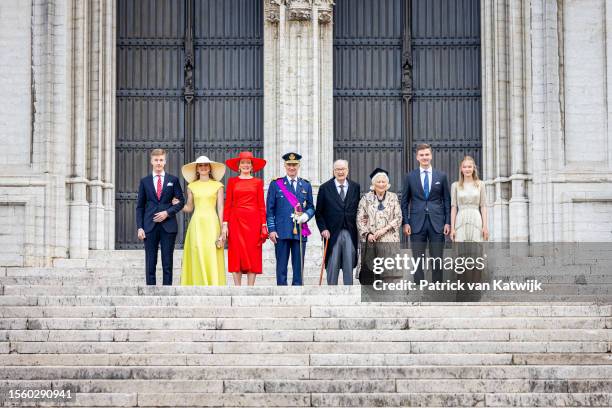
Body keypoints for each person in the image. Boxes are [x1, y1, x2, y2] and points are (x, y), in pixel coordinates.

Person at [401, 143, 451, 283]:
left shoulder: (441, 176)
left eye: (427, 154)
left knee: (437, 258)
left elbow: (447, 200)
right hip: (416, 223)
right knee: (417, 258)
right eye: (421, 155)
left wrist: (447, 222)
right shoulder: (410, 177)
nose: (425, 157)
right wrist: (406, 222)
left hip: (437, 223)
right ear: (417, 157)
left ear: (431, 156)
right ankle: (419, 287)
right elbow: (404, 202)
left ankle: (437, 288)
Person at [136, 148, 185, 285]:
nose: (159, 162)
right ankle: (150, 291)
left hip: (168, 226)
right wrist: (140, 227)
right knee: (150, 261)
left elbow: (181, 202)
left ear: (165, 161)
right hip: (149, 226)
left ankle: (167, 291)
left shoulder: (173, 180)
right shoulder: (144, 181)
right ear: (152, 161)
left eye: (161, 160)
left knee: (167, 261)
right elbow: (140, 206)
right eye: (156, 160)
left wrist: (167, 213)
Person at [176, 156, 227, 286]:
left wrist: (222, 229)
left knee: (211, 252)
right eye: (200, 165)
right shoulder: (191, 186)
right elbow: (189, 207)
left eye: (206, 165)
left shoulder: (218, 185)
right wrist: (178, 205)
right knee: (197, 251)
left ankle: (213, 284)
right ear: (197, 169)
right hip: (197, 223)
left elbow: (221, 208)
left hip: (212, 223)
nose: (203, 167)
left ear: (210, 168)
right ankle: (197, 283)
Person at [266, 152, 315, 286]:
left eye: (294, 165)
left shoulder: (305, 185)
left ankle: (298, 290)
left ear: (299, 165)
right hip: (281, 231)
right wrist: (271, 229)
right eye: (289, 165)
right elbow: (269, 209)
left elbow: (311, 206)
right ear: (285, 166)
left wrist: (306, 216)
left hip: (299, 230)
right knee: (281, 265)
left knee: (298, 266)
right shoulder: (276, 184)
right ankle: (282, 291)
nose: (292, 167)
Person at [221, 151, 268, 286]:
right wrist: (225, 224)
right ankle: (237, 288)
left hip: (254, 222)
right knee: (236, 252)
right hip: (235, 221)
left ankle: (250, 288)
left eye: (248, 163)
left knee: (253, 252)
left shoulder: (258, 182)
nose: (246, 165)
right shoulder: (232, 182)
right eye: (243, 162)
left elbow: (261, 205)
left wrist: (263, 225)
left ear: (252, 166)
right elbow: (228, 204)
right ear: (239, 166)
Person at [315, 159, 361, 285]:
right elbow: (318, 213)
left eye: (343, 169)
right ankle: (331, 291)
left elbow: (358, 209)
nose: (340, 172)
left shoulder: (355, 187)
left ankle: (349, 291)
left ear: (347, 170)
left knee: (349, 261)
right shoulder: (325, 188)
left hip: (350, 231)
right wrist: (323, 229)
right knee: (332, 263)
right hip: (331, 232)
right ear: (333, 171)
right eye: (337, 169)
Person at [356, 168, 402, 284]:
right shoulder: (366, 198)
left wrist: (384, 230)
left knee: (389, 274)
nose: (381, 184)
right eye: (378, 182)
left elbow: (398, 217)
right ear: (373, 184)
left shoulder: (393, 197)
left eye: (383, 182)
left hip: (389, 240)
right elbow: (360, 218)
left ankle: (389, 298)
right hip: (372, 240)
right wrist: (367, 234)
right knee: (371, 273)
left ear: (387, 184)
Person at [450, 155, 489, 242]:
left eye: (469, 167)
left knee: (476, 249)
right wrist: (452, 228)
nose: (467, 169)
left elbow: (483, 206)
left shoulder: (481, 184)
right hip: (460, 219)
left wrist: (485, 226)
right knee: (460, 250)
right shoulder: (455, 185)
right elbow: (454, 207)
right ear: (461, 169)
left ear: (473, 168)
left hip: (476, 219)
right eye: (465, 167)